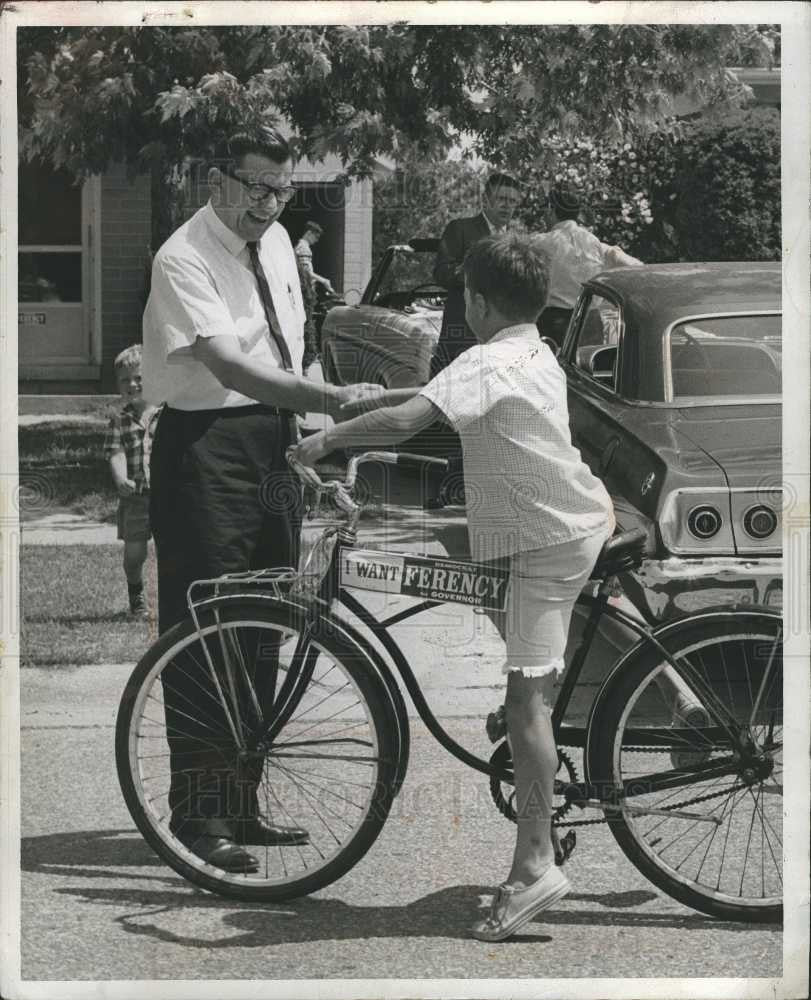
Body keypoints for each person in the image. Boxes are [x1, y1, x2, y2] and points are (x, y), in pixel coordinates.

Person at [290, 233, 615, 941]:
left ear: (475, 302)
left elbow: (411, 422)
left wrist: (327, 439)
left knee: (524, 696)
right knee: (453, 542)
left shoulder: (485, 357)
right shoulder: (531, 347)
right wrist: (374, 396)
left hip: (548, 539)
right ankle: (557, 736)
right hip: (567, 515)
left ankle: (533, 863)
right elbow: (433, 397)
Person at [142, 125, 377, 874]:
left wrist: (310, 441)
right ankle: (200, 816)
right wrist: (334, 398)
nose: (269, 206)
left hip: (273, 438)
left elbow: (289, 347)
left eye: (282, 191)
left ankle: (242, 800)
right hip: (205, 446)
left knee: (266, 620)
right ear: (217, 180)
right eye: (256, 189)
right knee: (207, 626)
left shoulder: (275, 244)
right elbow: (231, 366)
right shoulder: (182, 257)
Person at [432, 172, 523, 374]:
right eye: (501, 199)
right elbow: (442, 273)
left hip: (503, 341)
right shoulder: (460, 229)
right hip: (463, 337)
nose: (507, 206)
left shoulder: (517, 239)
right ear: (485, 200)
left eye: (512, 201)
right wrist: (483, 270)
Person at [533, 183, 642, 349]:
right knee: (589, 368)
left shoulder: (541, 242)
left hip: (555, 322)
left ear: (551, 210)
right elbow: (633, 265)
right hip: (591, 322)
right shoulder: (593, 242)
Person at [103, 344, 160, 619]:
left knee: (175, 550)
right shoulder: (119, 420)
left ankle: (179, 598)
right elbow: (116, 452)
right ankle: (136, 594)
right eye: (125, 380)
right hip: (136, 497)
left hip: (168, 496)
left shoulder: (168, 414)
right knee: (134, 554)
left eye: (139, 377)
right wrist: (120, 477)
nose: (132, 384)